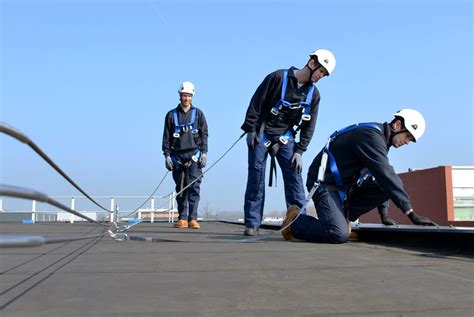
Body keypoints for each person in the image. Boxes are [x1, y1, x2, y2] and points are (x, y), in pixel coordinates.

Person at [281, 109, 437, 243]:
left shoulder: (382, 141)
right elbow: (385, 173)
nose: (407, 142)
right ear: (397, 125)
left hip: (345, 186)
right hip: (325, 184)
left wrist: (384, 215)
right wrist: (411, 213)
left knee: (387, 184)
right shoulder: (370, 136)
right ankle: (295, 221)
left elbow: (380, 177)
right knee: (338, 234)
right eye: (408, 136)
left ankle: (343, 218)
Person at [240, 49, 336, 236]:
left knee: (294, 176)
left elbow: (310, 126)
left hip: (285, 137)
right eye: (321, 71)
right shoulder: (277, 78)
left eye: (324, 74)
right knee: (256, 175)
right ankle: (252, 223)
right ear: (311, 63)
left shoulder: (313, 96)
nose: (320, 76)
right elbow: (256, 102)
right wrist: (250, 129)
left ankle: (298, 224)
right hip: (261, 133)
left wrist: (300, 150)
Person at [162, 81, 208, 229]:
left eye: (188, 95)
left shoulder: (198, 114)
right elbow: (166, 137)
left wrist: (204, 153)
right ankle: (182, 218)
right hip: (177, 156)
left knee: (194, 187)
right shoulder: (171, 115)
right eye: (184, 95)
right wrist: (167, 156)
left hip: (194, 154)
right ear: (180, 96)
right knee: (180, 187)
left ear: (192, 96)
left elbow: (204, 134)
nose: (186, 98)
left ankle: (192, 218)